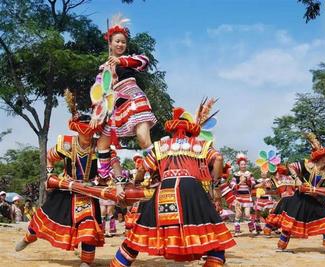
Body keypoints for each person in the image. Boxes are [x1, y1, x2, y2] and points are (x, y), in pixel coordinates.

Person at [109, 103, 236, 267]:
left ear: (173, 129)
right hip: (192, 189)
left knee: (143, 227)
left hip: (165, 189)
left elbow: (143, 168)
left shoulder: (160, 146)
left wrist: (136, 182)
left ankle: (118, 264)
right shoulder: (201, 145)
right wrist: (215, 184)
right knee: (209, 227)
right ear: (191, 130)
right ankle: (213, 261)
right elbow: (218, 159)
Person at [15, 98, 114, 267]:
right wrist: (51, 175)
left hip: (89, 192)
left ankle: (86, 262)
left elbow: (108, 167)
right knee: (44, 219)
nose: (87, 135)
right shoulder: (67, 145)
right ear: (78, 130)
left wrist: (107, 182)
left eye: (90, 131)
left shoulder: (99, 146)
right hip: (65, 190)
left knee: (89, 225)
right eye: (84, 131)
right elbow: (50, 158)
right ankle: (28, 238)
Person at [90, 15, 157, 181]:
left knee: (143, 140)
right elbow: (99, 93)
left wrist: (121, 61)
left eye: (123, 42)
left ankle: (158, 170)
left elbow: (144, 61)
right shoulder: (103, 69)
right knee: (102, 144)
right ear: (110, 43)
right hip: (116, 107)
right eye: (117, 41)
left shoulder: (130, 59)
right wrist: (96, 114)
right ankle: (105, 178)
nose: (120, 44)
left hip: (134, 100)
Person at [266, 133, 325, 253]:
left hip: (315, 200)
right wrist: (297, 179)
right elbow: (291, 166)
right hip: (299, 199)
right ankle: (281, 247)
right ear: (322, 158)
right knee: (290, 224)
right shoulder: (307, 165)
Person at [230, 153, 256, 236]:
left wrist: (248, 180)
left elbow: (253, 183)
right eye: (242, 164)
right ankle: (237, 231)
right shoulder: (236, 174)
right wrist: (240, 182)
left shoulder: (249, 174)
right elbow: (232, 185)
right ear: (239, 165)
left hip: (247, 197)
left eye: (244, 164)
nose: (243, 166)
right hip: (238, 197)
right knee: (238, 214)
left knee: (248, 214)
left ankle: (252, 229)